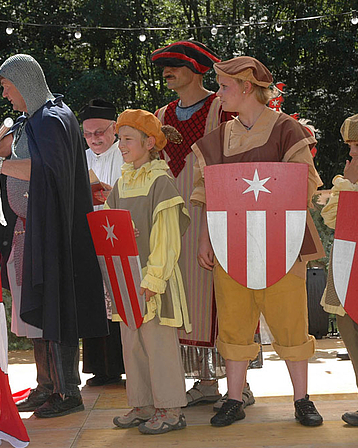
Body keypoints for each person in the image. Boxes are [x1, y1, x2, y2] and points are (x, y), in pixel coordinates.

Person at [191, 56, 324, 427]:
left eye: (224, 87)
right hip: (230, 242)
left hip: (282, 241)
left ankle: (302, 399)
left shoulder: (286, 130)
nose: (218, 95)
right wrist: (205, 237)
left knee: (291, 321)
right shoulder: (219, 137)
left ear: (247, 87)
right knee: (233, 321)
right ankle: (234, 399)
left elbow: (306, 184)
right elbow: (207, 191)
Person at [0, 54, 108, 418]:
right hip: (38, 229)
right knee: (45, 309)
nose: (5, 94)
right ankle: (49, 386)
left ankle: (68, 393)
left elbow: (46, 168)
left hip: (56, 232)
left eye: (6, 86)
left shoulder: (52, 119)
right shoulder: (37, 119)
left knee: (58, 308)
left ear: (22, 82)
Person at [151, 40, 256, 409]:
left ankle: (238, 385)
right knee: (187, 298)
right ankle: (207, 381)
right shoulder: (160, 114)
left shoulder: (223, 108)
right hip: (174, 216)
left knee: (224, 296)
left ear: (196, 69)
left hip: (218, 213)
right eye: (164, 66)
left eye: (174, 65)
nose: (167, 72)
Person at [107, 109, 190, 434]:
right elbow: (112, 228)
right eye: (120, 139)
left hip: (154, 282)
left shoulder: (161, 182)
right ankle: (142, 404)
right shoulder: (123, 182)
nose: (121, 145)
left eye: (127, 139)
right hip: (127, 280)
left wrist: (153, 280)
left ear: (149, 142)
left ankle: (170, 409)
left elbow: (167, 239)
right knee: (133, 344)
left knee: (158, 346)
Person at [79, 99, 125, 387]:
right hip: (89, 236)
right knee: (94, 301)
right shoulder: (79, 158)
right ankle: (101, 368)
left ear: (115, 129)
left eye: (100, 132)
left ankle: (123, 364)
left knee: (120, 300)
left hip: (120, 235)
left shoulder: (126, 153)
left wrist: (112, 195)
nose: (95, 139)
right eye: (88, 134)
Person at [320, 113, 358, 426]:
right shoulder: (347, 176)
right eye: (350, 146)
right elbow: (333, 220)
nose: (352, 153)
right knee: (348, 326)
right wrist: (349, 185)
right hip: (348, 268)